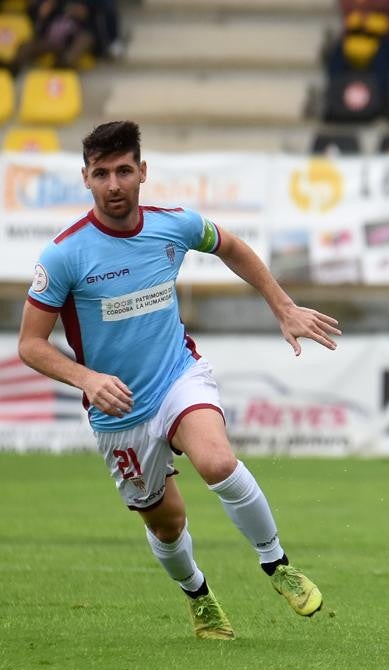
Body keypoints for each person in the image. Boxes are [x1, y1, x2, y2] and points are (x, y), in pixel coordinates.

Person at [17, 121, 342, 640]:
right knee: (166, 524)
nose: (115, 184)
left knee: (217, 461)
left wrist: (281, 306)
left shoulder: (173, 225)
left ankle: (276, 563)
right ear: (86, 179)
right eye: (102, 173)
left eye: (124, 170)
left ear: (143, 172)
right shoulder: (64, 255)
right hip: (118, 411)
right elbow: (29, 345)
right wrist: (88, 378)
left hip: (177, 376)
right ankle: (199, 595)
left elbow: (230, 245)